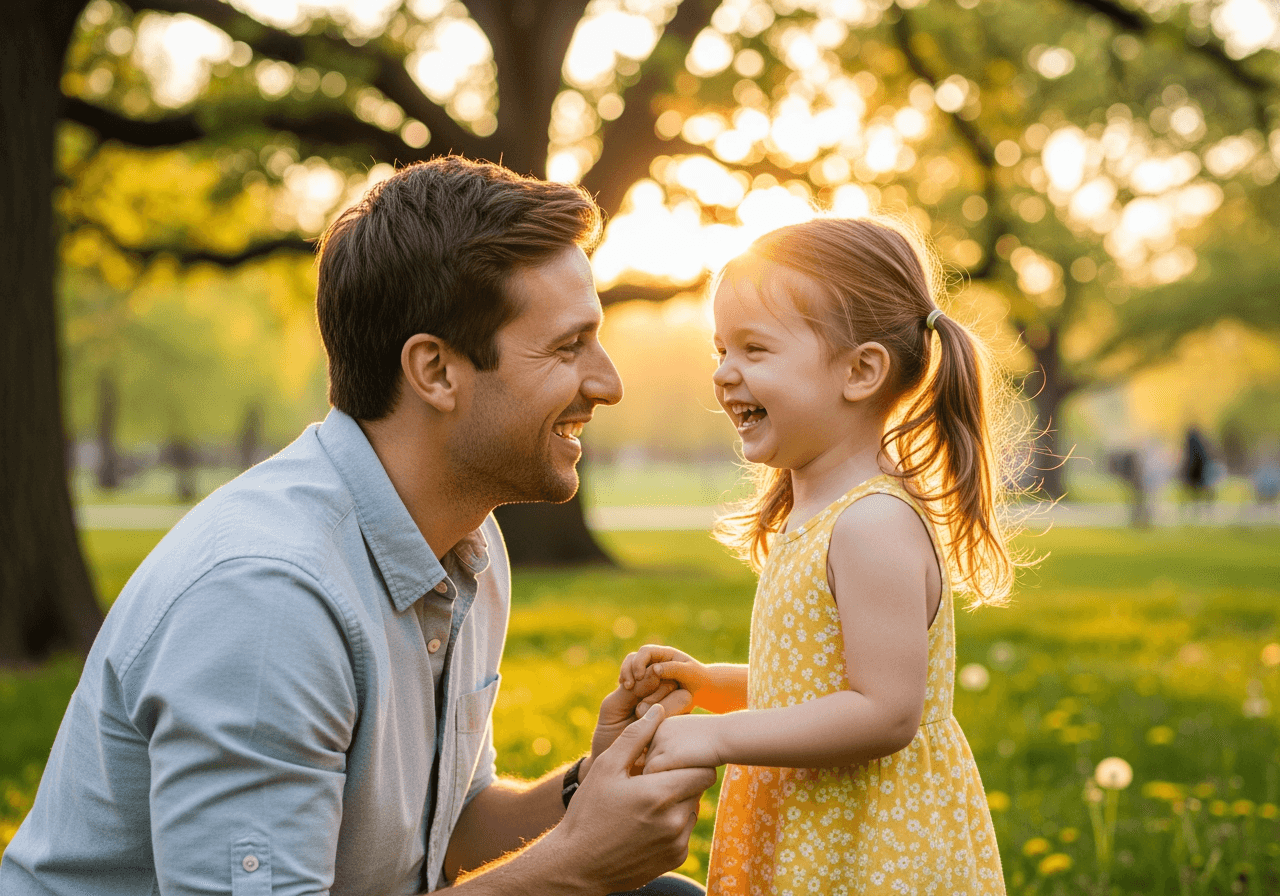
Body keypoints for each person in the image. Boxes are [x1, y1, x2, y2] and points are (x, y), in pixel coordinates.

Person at [0, 157, 715, 896]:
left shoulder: (465, 546)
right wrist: (574, 863)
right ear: (435, 371)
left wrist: (586, 789)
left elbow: (450, 831)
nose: (609, 383)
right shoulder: (268, 599)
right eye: (569, 346)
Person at [619, 217, 1014, 895]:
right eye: (720, 349)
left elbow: (885, 711)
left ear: (859, 371)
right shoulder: (821, 516)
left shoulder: (872, 524)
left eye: (754, 349)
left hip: (871, 845)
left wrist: (721, 737)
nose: (724, 373)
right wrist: (711, 684)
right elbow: (819, 688)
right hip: (819, 826)